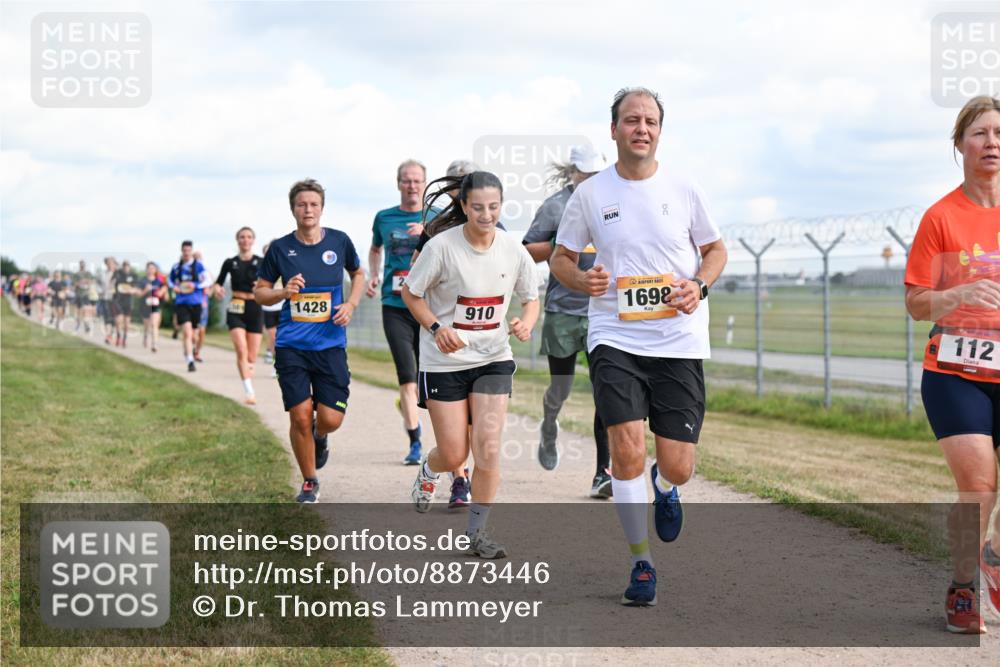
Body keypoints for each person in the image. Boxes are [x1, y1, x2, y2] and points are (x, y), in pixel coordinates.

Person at [551, 87, 727, 606]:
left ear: (659, 131)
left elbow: (715, 249)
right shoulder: (590, 195)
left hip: (677, 339)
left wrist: (700, 285)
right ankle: (641, 562)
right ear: (614, 130)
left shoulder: (685, 187)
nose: (641, 129)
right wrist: (582, 282)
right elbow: (561, 258)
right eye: (632, 120)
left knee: (678, 465)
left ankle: (665, 487)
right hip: (614, 336)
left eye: (650, 121)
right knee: (625, 447)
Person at [403, 171, 539, 557]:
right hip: (444, 360)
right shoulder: (441, 247)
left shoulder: (512, 249)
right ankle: (431, 469)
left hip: (493, 357)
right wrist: (434, 326)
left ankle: (477, 533)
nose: (486, 214)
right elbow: (411, 294)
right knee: (454, 454)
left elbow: (531, 298)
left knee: (489, 448)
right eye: (477, 207)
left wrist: (525, 323)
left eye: (493, 207)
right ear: (463, 207)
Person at [903, 95, 1000, 634]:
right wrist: (957, 292)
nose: (993, 144)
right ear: (960, 145)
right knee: (980, 484)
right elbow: (916, 303)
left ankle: (995, 557)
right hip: (956, 371)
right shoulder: (942, 217)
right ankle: (964, 588)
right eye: (981, 133)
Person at [255, 178, 365, 503]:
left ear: (322, 208)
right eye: (302, 204)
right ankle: (309, 481)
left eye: (313, 204)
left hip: (330, 345)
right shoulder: (280, 248)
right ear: (293, 209)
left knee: (330, 418)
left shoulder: (340, 242)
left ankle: (320, 435)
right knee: (300, 413)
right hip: (292, 346)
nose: (308, 209)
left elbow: (358, 274)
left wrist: (351, 304)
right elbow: (260, 292)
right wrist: (282, 291)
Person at [522, 144, 612, 498]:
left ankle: (602, 472)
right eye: (584, 173)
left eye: (596, 174)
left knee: (605, 393)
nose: (590, 179)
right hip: (562, 311)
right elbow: (528, 250)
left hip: (601, 313)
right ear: (572, 172)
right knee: (561, 388)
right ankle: (549, 424)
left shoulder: (612, 200)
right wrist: (563, 241)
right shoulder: (556, 206)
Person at [366, 159, 436, 467]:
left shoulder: (438, 217)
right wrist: (373, 274)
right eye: (406, 180)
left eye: (417, 180)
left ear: (424, 183)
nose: (411, 186)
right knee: (407, 376)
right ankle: (415, 441)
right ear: (398, 184)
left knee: (429, 379)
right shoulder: (384, 217)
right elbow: (375, 248)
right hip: (394, 306)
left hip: (429, 307)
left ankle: (437, 433)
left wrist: (428, 233)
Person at [214, 227, 265, 405]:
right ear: (237, 240)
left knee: (251, 356)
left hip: (255, 308)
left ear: (253, 240)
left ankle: (248, 370)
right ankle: (249, 392)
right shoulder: (230, 262)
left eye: (249, 237)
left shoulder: (261, 261)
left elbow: (270, 284)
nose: (245, 240)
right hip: (236, 306)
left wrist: (260, 287)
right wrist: (218, 291)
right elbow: (218, 284)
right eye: (242, 237)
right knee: (241, 350)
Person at [168, 241, 210, 372]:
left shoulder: (198, 266)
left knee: (194, 336)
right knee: (186, 332)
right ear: (181, 251)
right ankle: (190, 361)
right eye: (184, 250)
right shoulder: (176, 267)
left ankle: (190, 351)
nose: (186, 253)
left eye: (188, 250)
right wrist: (174, 287)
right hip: (182, 303)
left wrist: (196, 286)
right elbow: (169, 280)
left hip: (196, 303)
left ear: (191, 251)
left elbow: (208, 280)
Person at [261, 240, 283, 378]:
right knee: (273, 335)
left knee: (280, 337)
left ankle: (276, 361)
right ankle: (272, 356)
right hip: (268, 307)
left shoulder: (284, 265)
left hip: (282, 306)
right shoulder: (262, 268)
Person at [139, 261, 167, 352]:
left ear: (155, 270)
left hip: (156, 305)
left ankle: (154, 344)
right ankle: (145, 336)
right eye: (149, 268)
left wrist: (162, 292)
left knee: (154, 324)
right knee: (147, 325)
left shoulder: (159, 280)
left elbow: (164, 289)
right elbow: (139, 294)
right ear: (146, 270)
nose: (151, 270)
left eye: (153, 268)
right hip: (145, 305)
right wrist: (145, 290)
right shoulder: (142, 281)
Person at [111, 259, 137, 346]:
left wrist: (132, 290)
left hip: (128, 301)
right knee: (119, 320)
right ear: (122, 266)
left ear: (129, 267)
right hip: (118, 300)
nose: (126, 267)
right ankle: (119, 336)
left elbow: (136, 288)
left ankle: (125, 339)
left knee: (127, 323)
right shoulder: (118, 273)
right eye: (124, 265)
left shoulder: (133, 275)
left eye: (127, 265)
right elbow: (111, 283)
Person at [193, 250, 212, 362]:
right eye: (195, 257)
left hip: (203, 304)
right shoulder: (188, 271)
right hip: (192, 304)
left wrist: (209, 292)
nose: (198, 259)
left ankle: (197, 351)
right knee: (193, 331)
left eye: (199, 257)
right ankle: (194, 350)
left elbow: (213, 284)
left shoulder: (206, 271)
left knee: (201, 331)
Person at [98, 257, 117, 345]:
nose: (109, 264)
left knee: (114, 319)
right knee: (107, 318)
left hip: (115, 299)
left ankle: (111, 334)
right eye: (108, 263)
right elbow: (98, 285)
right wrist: (99, 291)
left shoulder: (117, 274)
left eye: (111, 263)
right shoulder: (102, 274)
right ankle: (108, 336)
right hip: (105, 298)